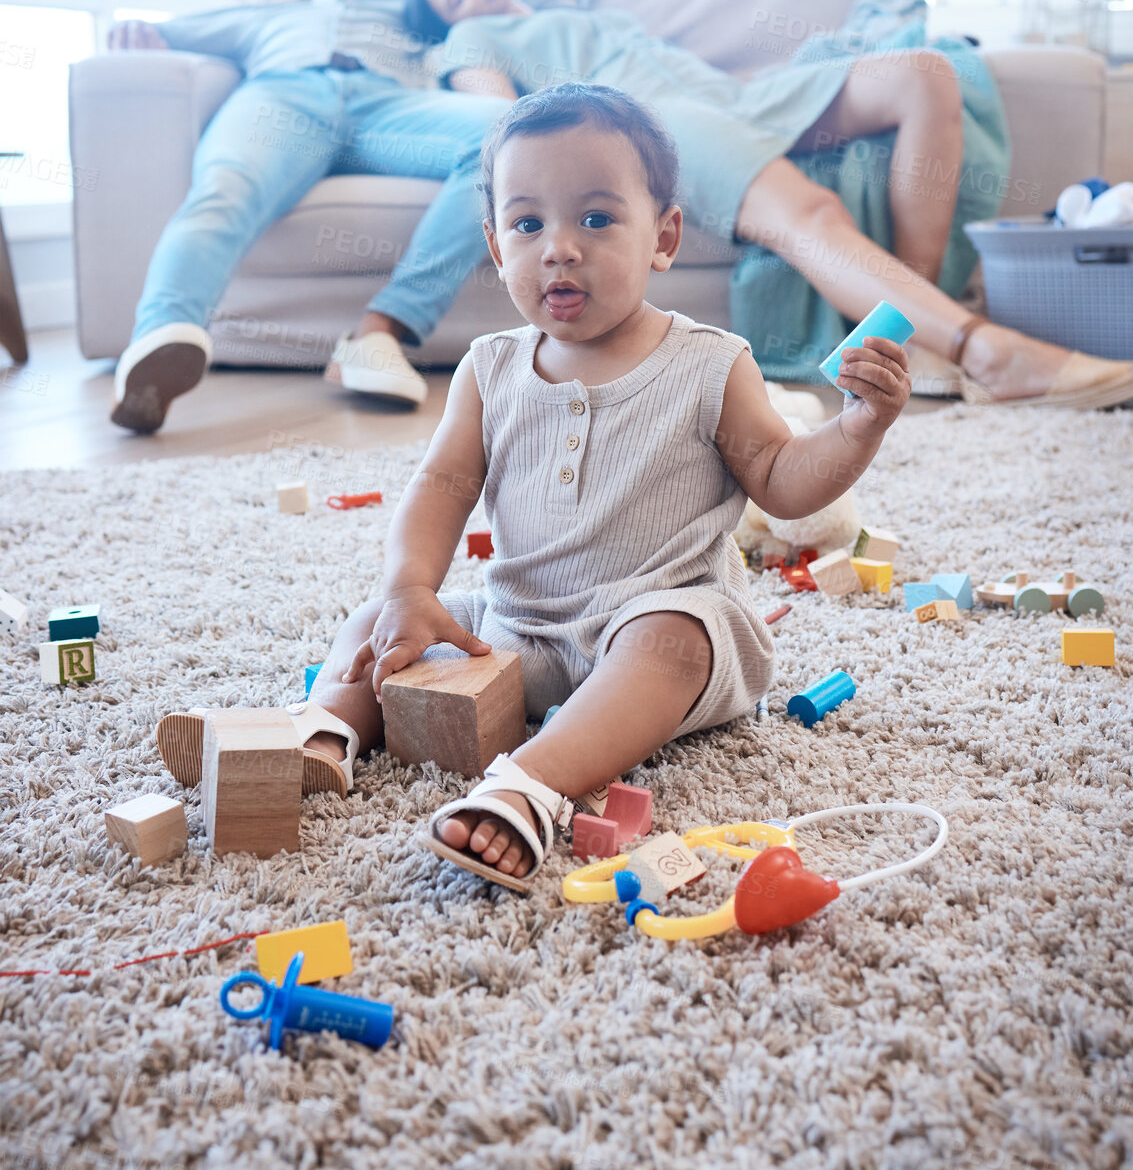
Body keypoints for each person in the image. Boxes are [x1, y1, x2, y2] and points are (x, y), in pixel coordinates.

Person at [154, 84, 912, 887]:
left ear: (665, 236)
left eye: (594, 218)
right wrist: (413, 586)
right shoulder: (489, 368)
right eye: (527, 224)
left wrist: (858, 425)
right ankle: (326, 732)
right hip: (514, 630)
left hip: (653, 628)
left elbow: (784, 480)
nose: (559, 247)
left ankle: (530, 783)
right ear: (495, 245)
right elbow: (442, 484)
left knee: (673, 636)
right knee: (380, 614)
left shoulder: (712, 364)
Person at [399, 0, 1133, 410]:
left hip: (741, 93)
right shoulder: (474, 42)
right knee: (811, 214)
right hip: (657, 121)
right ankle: (988, 353)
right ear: (447, 26)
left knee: (927, 75)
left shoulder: (584, 8)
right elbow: (505, 127)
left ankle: (914, 336)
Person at [105, 0, 512, 432]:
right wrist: (136, 32)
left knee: (503, 138)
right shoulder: (272, 11)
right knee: (226, 187)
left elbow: (496, 16)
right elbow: (162, 32)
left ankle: (380, 331)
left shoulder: (414, 6)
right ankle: (161, 342)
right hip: (282, 100)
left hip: (390, 106)